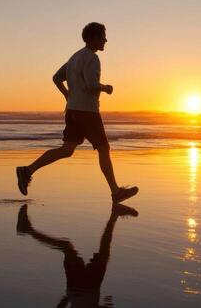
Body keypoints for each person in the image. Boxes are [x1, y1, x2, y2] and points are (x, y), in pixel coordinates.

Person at [16, 22, 138, 203]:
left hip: (73, 110)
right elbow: (90, 85)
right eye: (103, 36)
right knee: (104, 148)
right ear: (94, 38)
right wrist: (106, 88)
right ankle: (115, 192)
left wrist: (67, 96)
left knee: (67, 150)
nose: (105, 40)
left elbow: (56, 78)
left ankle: (27, 170)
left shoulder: (75, 57)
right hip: (87, 111)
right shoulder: (92, 58)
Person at [16, 203, 139, 307]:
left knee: (98, 251)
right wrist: (67, 299)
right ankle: (28, 229)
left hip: (89, 289)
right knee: (67, 246)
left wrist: (106, 305)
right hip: (76, 290)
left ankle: (115, 214)